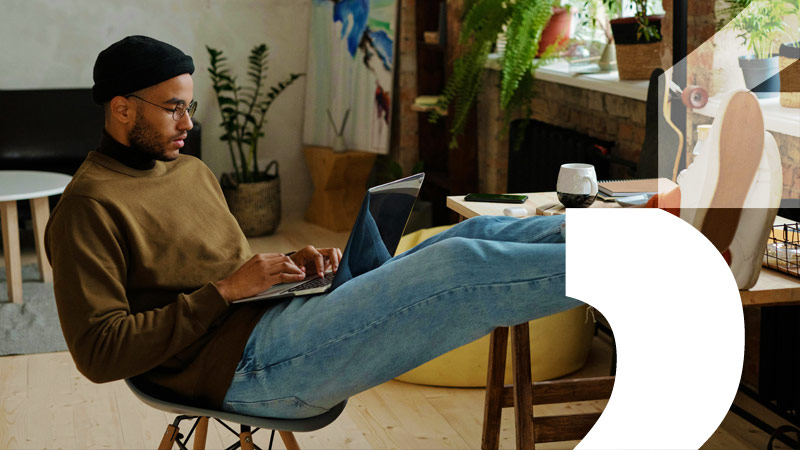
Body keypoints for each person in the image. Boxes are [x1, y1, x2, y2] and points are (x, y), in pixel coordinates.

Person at [45, 35, 578, 419]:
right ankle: (633, 269)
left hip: (276, 322)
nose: (189, 123)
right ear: (121, 109)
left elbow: (224, 270)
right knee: (458, 266)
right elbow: (98, 353)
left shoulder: (189, 170)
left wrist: (288, 269)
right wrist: (228, 291)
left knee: (468, 235)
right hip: (242, 369)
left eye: (191, 106)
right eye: (173, 109)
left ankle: (625, 238)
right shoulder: (88, 206)